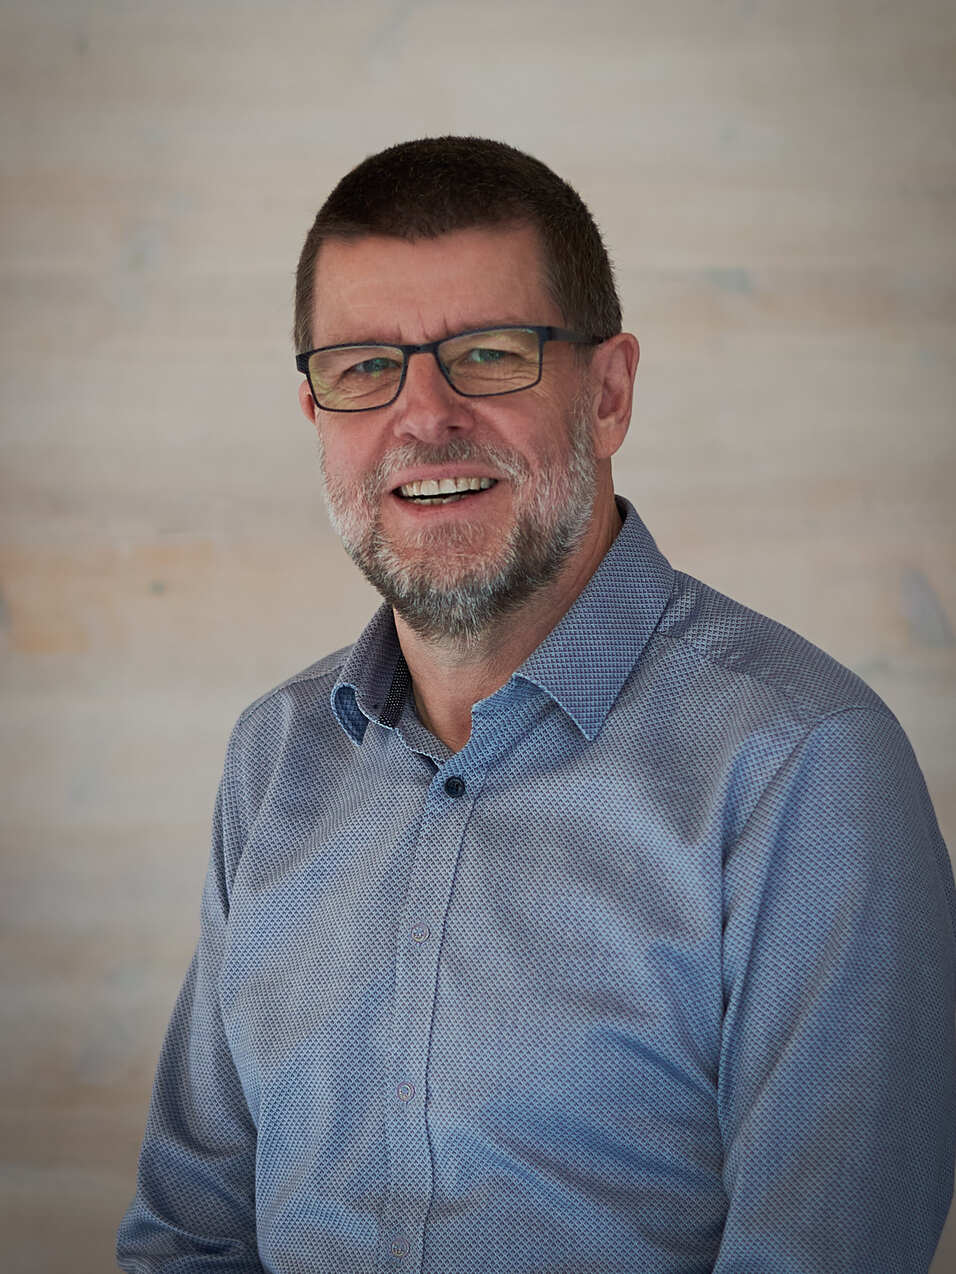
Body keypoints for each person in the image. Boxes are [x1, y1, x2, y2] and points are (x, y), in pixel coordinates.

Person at [117, 137, 955, 1273]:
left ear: (607, 394)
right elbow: (190, 1234)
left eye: (488, 355)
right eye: (364, 367)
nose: (424, 417)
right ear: (314, 408)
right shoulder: (275, 756)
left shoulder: (801, 768)